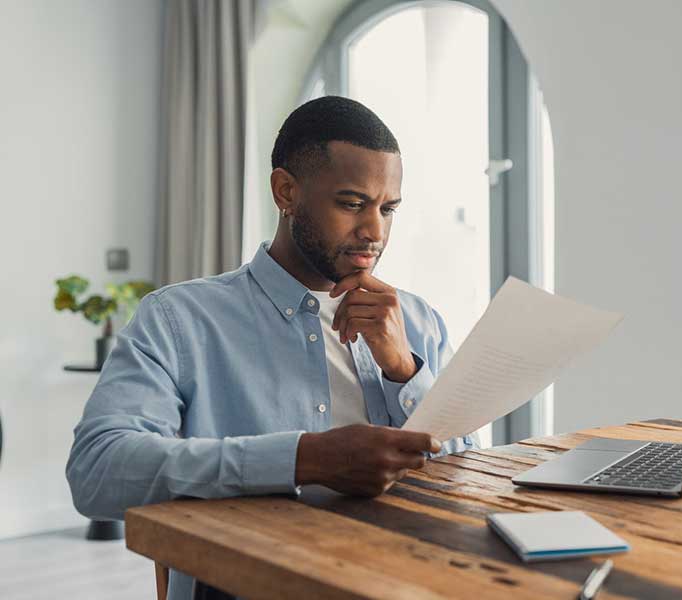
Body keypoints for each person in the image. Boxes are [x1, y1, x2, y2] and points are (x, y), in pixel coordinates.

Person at [66, 96, 477, 596]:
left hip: (404, 581)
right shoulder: (179, 320)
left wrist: (403, 370)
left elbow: (467, 476)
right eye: (351, 204)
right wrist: (305, 459)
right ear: (286, 192)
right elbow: (98, 472)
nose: (374, 232)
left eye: (387, 209)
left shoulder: (416, 320)